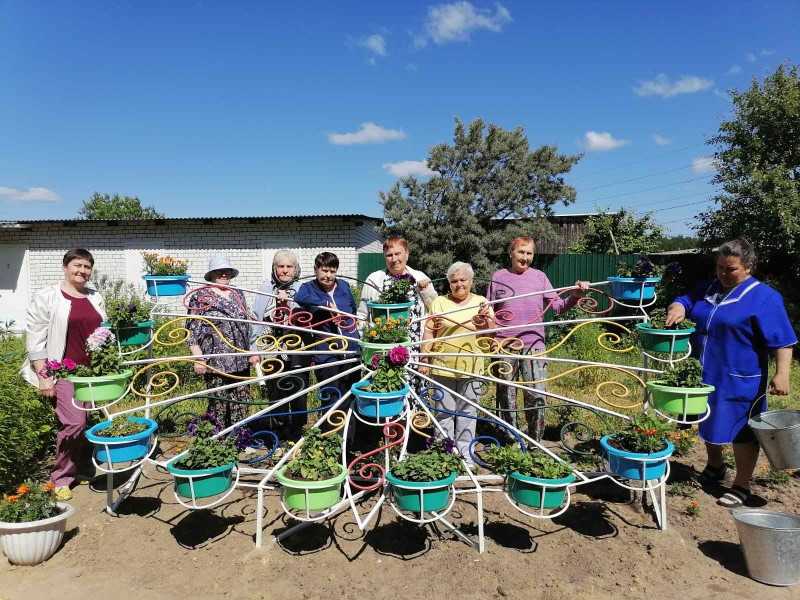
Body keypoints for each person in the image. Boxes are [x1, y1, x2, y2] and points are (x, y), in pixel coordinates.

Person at [665, 239, 796, 507]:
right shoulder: (709, 289)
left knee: (742, 430)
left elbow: (783, 341)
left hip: (740, 377)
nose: (723, 274)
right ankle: (715, 466)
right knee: (707, 418)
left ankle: (742, 484)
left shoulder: (764, 298)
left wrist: (782, 374)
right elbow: (686, 299)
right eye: (720, 268)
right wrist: (678, 306)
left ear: (748, 267)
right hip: (704, 372)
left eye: (731, 269)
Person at [22, 249, 106, 501]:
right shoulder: (48, 296)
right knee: (74, 423)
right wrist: (44, 376)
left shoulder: (94, 296)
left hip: (92, 372)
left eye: (87, 267)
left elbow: (104, 331)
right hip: (63, 372)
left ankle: (82, 467)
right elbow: (36, 339)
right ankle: (61, 478)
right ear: (65, 267)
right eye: (77, 265)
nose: (82, 271)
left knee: (87, 421)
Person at [487, 236, 589, 440]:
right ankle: (511, 439)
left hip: (534, 345)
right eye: (521, 252)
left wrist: (576, 295)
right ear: (511, 253)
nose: (525, 257)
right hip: (504, 345)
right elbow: (489, 312)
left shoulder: (540, 277)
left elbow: (558, 306)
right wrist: (490, 339)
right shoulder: (498, 277)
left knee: (537, 395)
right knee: (506, 395)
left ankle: (535, 441)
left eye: (529, 253)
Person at [420, 262, 494, 463]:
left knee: (467, 412)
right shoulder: (439, 303)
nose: (459, 284)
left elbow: (491, 333)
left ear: (471, 281)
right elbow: (429, 332)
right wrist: (424, 359)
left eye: (463, 280)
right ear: (449, 283)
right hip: (442, 366)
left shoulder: (481, 303)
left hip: (472, 366)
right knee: (443, 412)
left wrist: (486, 321)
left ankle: (465, 454)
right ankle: (444, 454)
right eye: (454, 281)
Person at [188, 255, 254, 427]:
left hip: (240, 360)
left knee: (242, 402)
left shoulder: (237, 293)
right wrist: (198, 358)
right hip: (216, 361)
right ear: (211, 274)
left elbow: (247, 324)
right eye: (219, 271)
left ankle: (240, 437)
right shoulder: (201, 296)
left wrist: (252, 351)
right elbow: (191, 329)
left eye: (227, 271)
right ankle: (218, 438)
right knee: (219, 405)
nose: (224, 274)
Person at [250, 250, 308, 439]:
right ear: (274, 268)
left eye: (289, 266)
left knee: (298, 387)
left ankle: (297, 432)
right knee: (276, 389)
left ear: (295, 269)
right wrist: (253, 349)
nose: (284, 270)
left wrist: (287, 303)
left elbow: (306, 317)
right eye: (280, 266)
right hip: (270, 347)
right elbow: (256, 318)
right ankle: (279, 432)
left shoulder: (302, 288)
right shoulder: (266, 288)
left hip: (297, 346)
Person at [294, 252, 360, 398]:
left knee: (352, 396)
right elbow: (299, 297)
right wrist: (325, 305)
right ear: (315, 270)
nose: (328, 275)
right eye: (324, 270)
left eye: (332, 271)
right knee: (331, 397)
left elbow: (353, 309)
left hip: (352, 351)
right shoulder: (308, 288)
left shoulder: (344, 286)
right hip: (327, 354)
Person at [357, 235, 437, 340]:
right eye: (389, 255)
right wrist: (368, 339)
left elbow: (435, 309)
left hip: (416, 343)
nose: (394, 259)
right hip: (384, 344)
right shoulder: (373, 280)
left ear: (407, 254)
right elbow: (362, 316)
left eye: (398, 254)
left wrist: (426, 291)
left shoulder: (420, 277)